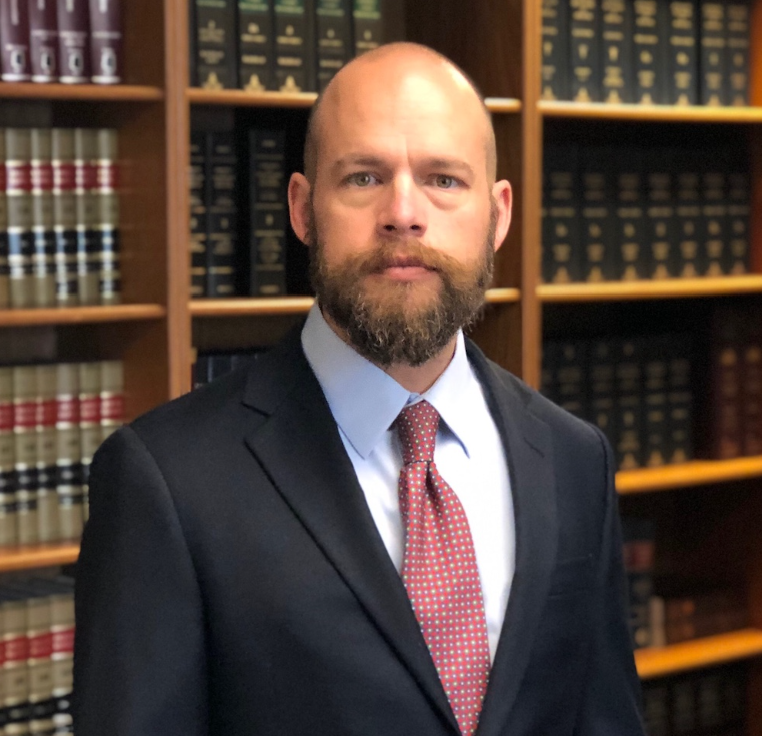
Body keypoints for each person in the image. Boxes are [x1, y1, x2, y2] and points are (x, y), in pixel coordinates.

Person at [73, 43, 645, 736]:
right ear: (303, 209)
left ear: (498, 215)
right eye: (365, 177)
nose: (403, 214)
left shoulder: (575, 458)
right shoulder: (164, 481)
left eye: (444, 179)